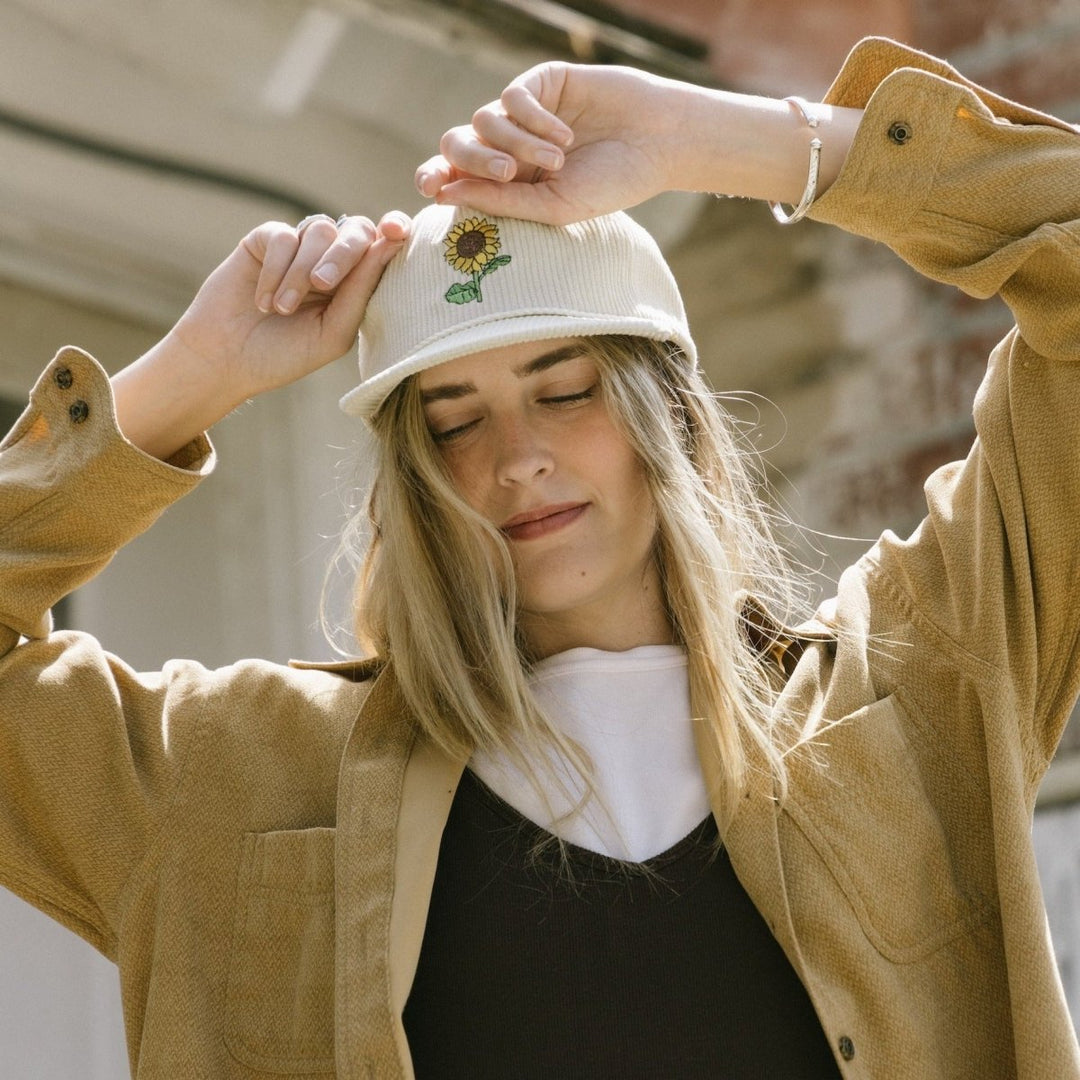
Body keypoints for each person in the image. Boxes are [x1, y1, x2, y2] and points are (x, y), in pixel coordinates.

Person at [1, 32, 1078, 1079]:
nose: (516, 459)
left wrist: (709, 139)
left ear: (678, 424)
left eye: (565, 392)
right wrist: (189, 378)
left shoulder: (926, 681)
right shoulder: (235, 776)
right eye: (453, 422)